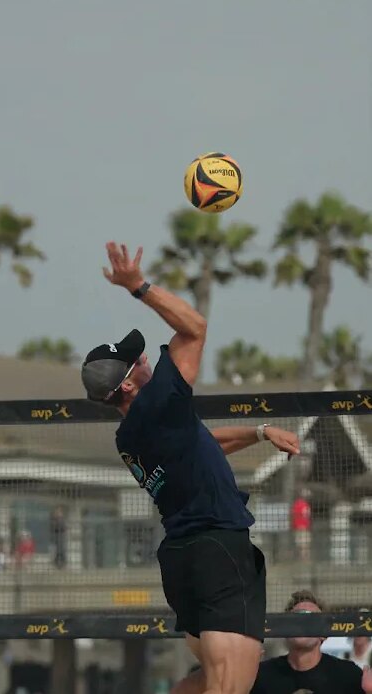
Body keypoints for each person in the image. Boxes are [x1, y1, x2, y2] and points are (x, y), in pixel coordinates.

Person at [81, 242, 301, 694]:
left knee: (206, 683)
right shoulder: (160, 400)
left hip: (182, 559)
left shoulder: (130, 435)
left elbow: (203, 443)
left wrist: (260, 433)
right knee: (229, 686)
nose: (144, 359)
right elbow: (195, 329)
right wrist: (138, 286)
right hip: (217, 547)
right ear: (126, 384)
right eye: (135, 360)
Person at [250, 590, 372, 693]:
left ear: (324, 634)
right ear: (285, 628)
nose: (303, 624)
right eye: (297, 617)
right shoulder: (260, 676)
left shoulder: (348, 676)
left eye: (311, 619)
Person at [291, 490, 311, 561]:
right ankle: (304, 559)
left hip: (298, 527)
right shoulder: (304, 505)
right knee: (304, 544)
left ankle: (301, 558)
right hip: (303, 527)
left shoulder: (296, 504)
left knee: (300, 543)